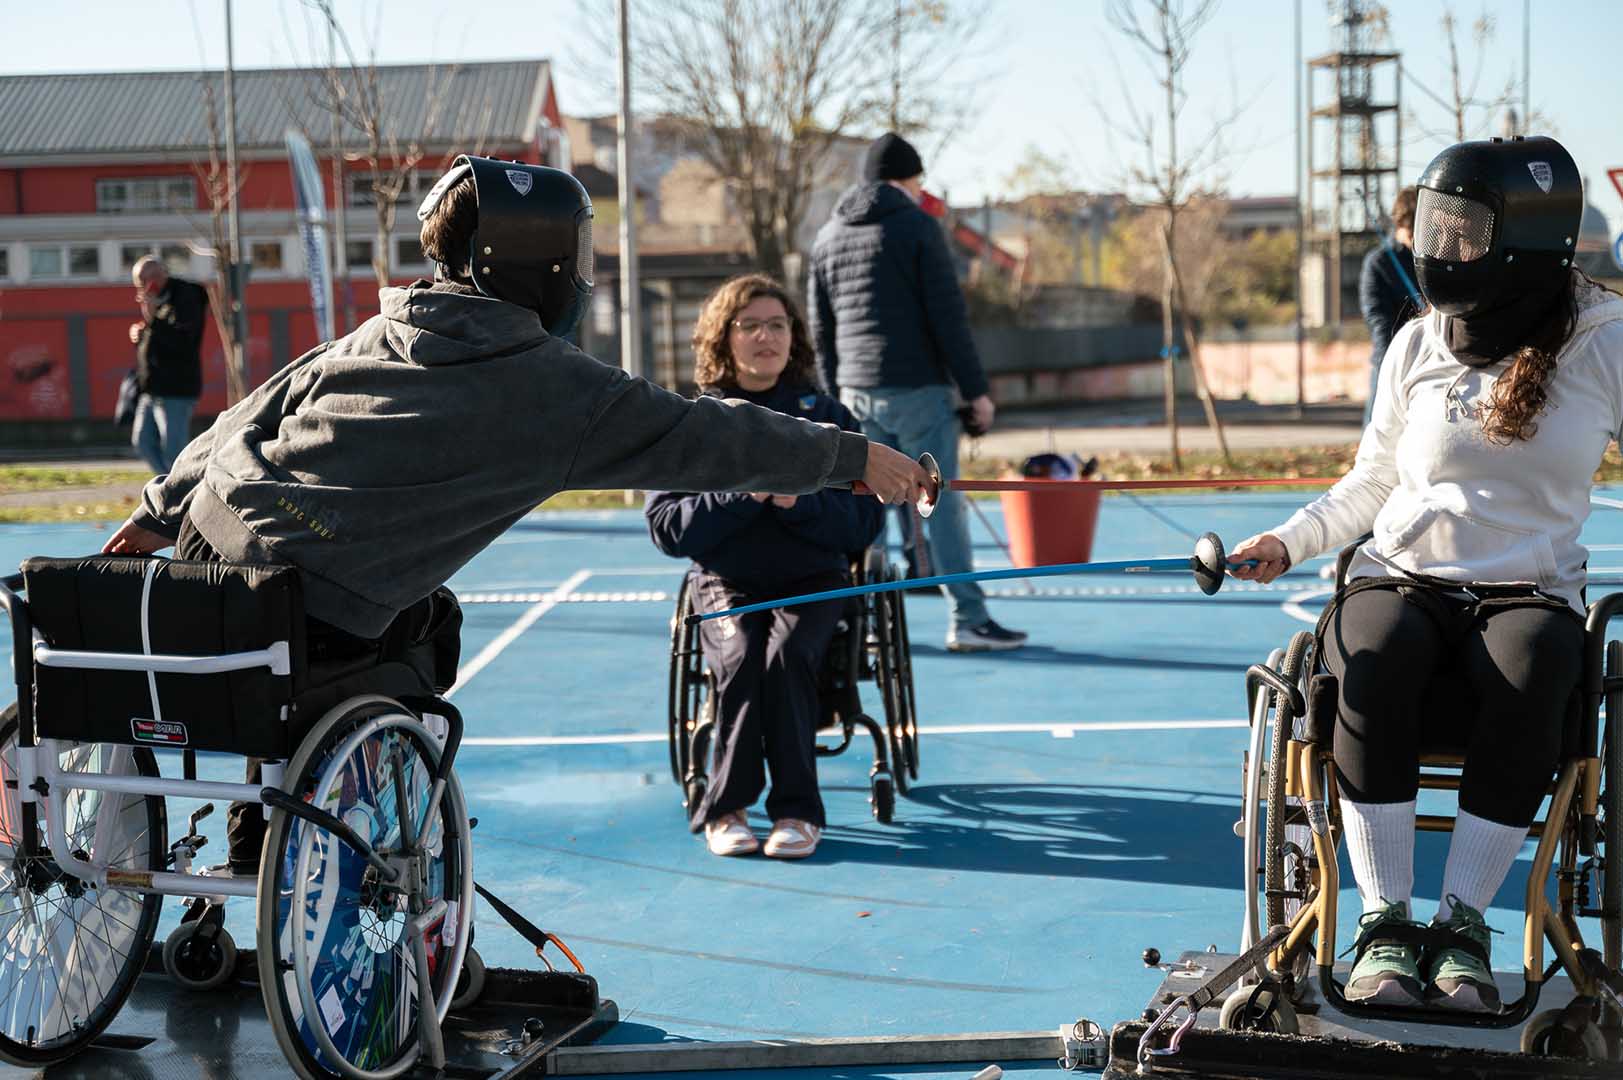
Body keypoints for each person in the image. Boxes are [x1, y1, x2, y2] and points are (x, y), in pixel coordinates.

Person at [98, 155, 934, 875]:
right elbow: (706, 435)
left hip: (209, 551)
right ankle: (303, 857)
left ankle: (260, 843)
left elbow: (251, 412)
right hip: (322, 606)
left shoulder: (383, 328)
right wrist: (853, 458)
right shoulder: (553, 388)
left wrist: (158, 511)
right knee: (421, 635)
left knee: (287, 659)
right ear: (543, 262)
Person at [1229, 135, 1623, 1013]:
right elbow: (1371, 481)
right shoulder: (1417, 341)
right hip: (1401, 576)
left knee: (1535, 665)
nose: (1441, 248)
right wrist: (1288, 541)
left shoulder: (1605, 344)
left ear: (1524, 238)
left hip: (1526, 592)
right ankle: (1384, 921)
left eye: (1463, 231)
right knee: (1373, 653)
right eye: (1437, 228)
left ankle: (1460, 925)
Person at [646, 275, 884, 859]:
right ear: (723, 337)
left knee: (787, 656)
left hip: (813, 580)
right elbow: (668, 527)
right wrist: (745, 495)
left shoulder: (827, 419)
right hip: (725, 581)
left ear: (793, 336)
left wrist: (796, 501)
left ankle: (798, 811)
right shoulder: (695, 420)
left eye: (777, 324)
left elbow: (863, 525)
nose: (765, 336)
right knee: (741, 654)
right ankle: (727, 809)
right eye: (749, 325)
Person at [809, 132, 1026, 653]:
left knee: (866, 509)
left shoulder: (827, 236)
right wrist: (975, 391)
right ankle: (968, 619)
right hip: (917, 389)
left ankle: (865, 624)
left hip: (855, 389)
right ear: (908, 179)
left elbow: (821, 328)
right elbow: (948, 317)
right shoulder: (917, 227)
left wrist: (834, 396)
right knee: (940, 503)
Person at [126, 256, 208, 473]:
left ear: (156, 277)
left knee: (174, 450)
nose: (141, 290)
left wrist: (153, 320)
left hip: (176, 389)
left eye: (142, 283)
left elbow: (182, 341)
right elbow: (157, 337)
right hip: (151, 388)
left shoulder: (185, 297)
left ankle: (182, 487)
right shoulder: (158, 301)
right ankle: (169, 485)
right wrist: (141, 333)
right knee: (143, 443)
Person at [1359, 186, 1424, 425]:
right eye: (1412, 228)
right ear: (1400, 223)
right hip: (1391, 360)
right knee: (1379, 430)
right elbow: (1379, 322)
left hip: (1428, 360)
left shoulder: (1432, 259)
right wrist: (1393, 365)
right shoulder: (1379, 263)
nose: (1418, 237)